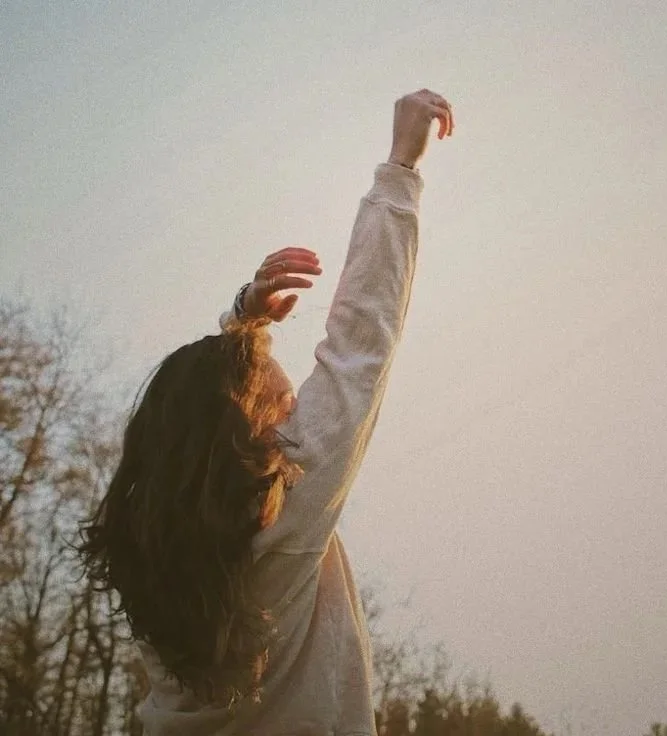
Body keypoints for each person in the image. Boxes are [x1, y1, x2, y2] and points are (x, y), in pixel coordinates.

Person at [78, 87, 454, 736]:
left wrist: (241, 323)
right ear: (249, 436)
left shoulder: (149, 556)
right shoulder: (285, 518)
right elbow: (359, 346)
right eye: (284, 407)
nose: (296, 415)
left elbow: (194, 420)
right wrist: (399, 170)